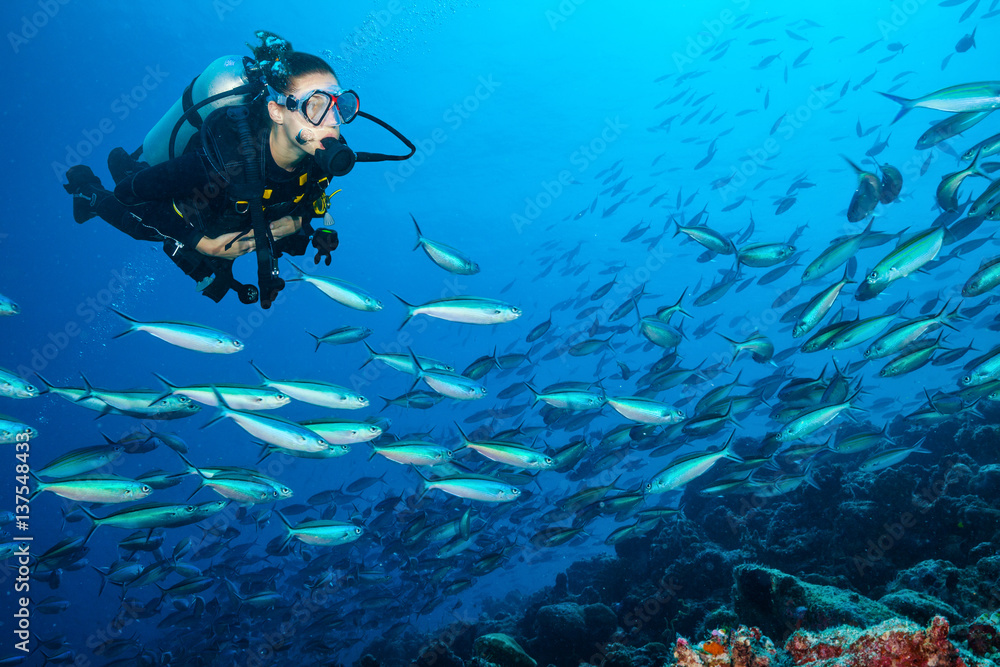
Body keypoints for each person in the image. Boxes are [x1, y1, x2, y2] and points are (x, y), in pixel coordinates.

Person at [63, 31, 412, 307]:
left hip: (239, 221)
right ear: (277, 111)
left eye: (340, 106)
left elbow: (302, 201)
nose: (332, 122)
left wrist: (306, 229)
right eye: (316, 106)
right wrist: (203, 244)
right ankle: (88, 189)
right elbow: (128, 195)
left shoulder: (320, 157)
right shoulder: (223, 161)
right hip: (191, 213)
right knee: (141, 227)